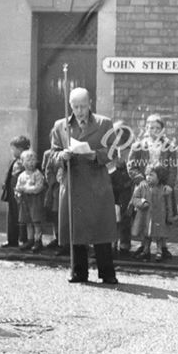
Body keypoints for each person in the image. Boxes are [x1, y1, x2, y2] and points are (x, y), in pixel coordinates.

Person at [51, 87, 120, 284]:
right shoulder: (60, 126)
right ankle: (78, 271)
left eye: (83, 106)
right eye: (75, 107)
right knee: (76, 229)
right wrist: (61, 156)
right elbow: (53, 153)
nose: (79, 111)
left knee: (101, 228)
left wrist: (95, 155)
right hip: (73, 182)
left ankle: (107, 272)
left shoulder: (104, 123)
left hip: (96, 182)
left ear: (90, 103)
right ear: (70, 106)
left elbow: (113, 151)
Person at [127, 113, 178, 242]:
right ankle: (144, 246)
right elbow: (131, 166)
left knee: (162, 215)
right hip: (145, 186)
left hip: (162, 187)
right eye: (151, 128)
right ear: (146, 129)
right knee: (144, 215)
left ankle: (162, 246)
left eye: (157, 128)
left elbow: (173, 169)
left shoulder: (169, 147)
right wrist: (140, 180)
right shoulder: (138, 146)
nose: (154, 131)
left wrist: (169, 185)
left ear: (162, 130)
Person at [130, 165, 173, 262]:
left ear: (159, 177)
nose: (148, 177)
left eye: (151, 175)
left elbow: (168, 204)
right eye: (147, 175)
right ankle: (146, 250)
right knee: (146, 234)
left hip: (159, 216)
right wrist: (142, 202)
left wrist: (169, 216)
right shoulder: (142, 186)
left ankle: (159, 251)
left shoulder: (163, 189)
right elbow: (135, 198)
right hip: (145, 216)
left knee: (159, 235)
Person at [0, 135, 30, 248]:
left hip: (22, 194)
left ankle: (24, 240)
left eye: (13, 149)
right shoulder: (14, 161)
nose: (12, 151)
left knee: (22, 217)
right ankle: (12, 240)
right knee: (12, 216)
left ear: (21, 149)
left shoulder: (27, 160)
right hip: (13, 193)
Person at [14, 149, 46, 254]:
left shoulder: (37, 174)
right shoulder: (22, 175)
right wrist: (18, 193)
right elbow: (18, 187)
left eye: (33, 160)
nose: (31, 163)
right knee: (28, 222)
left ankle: (38, 241)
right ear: (23, 163)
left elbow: (38, 187)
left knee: (36, 222)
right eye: (28, 161)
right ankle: (30, 240)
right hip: (25, 202)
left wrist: (26, 189)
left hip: (35, 201)